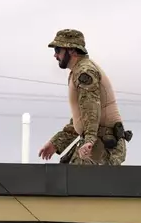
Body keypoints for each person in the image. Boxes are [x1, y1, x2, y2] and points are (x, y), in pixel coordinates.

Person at [38, 29, 132, 165]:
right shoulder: (78, 72)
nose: (55, 55)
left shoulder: (85, 71)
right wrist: (57, 143)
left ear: (71, 51)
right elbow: (82, 117)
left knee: (77, 183)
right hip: (97, 140)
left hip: (102, 143)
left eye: (58, 50)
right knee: (70, 181)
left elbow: (91, 110)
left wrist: (89, 141)